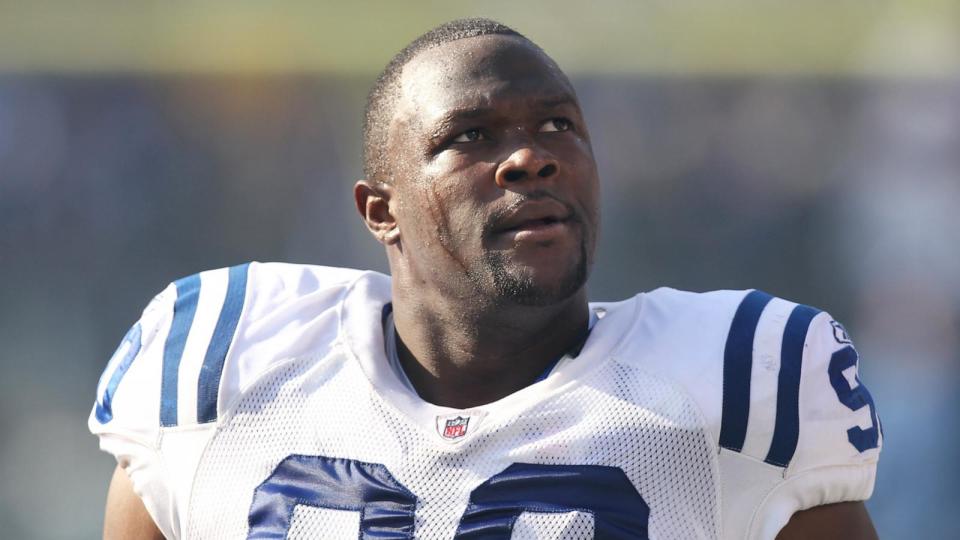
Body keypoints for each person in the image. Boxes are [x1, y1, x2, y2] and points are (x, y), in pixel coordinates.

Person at [90, 18, 882, 539]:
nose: (531, 155)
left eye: (558, 125)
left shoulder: (741, 382)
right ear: (380, 211)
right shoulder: (225, 357)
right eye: (471, 135)